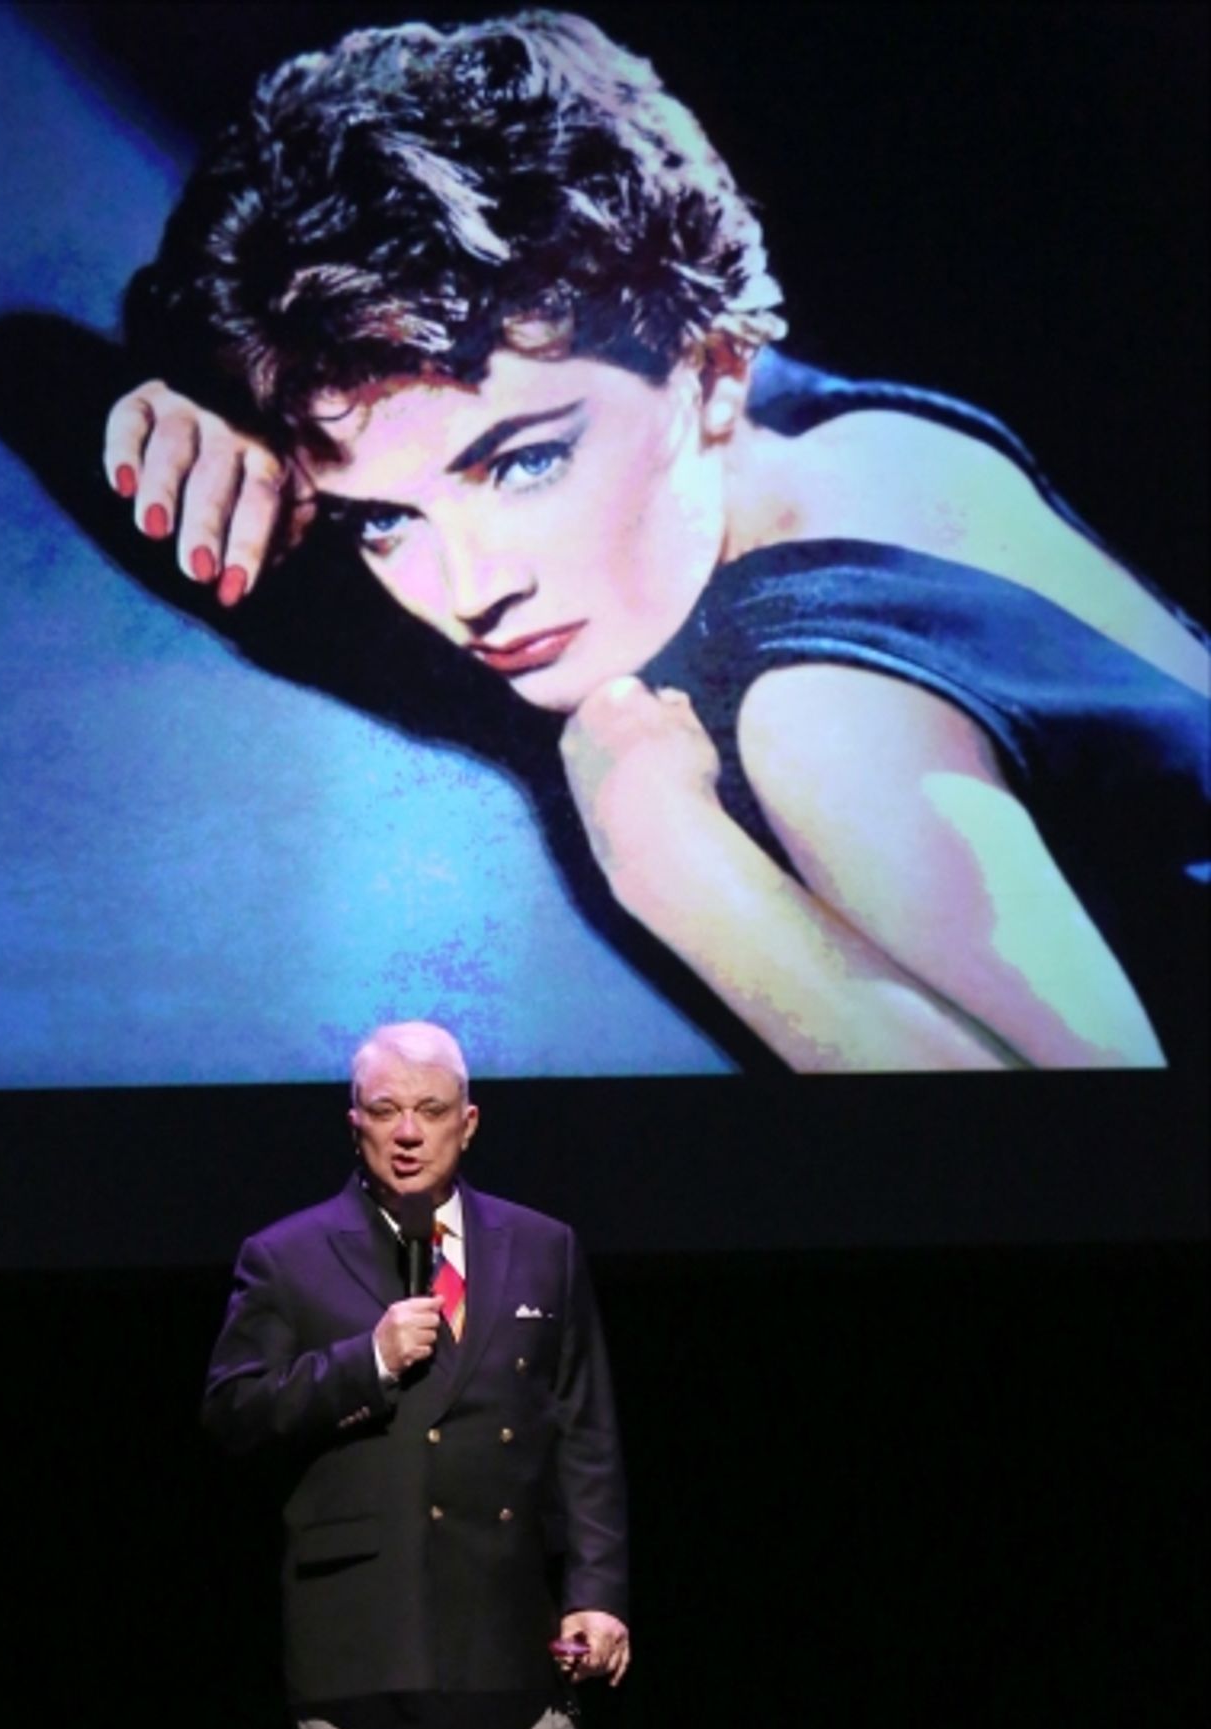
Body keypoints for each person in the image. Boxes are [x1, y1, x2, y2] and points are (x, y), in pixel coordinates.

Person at [104, 10, 1209, 1074]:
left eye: (524, 462)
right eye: (381, 520)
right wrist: (242, 400)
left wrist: (681, 874)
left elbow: (1099, 1162)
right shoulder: (831, 434)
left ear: (711, 366)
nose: (470, 590)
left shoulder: (821, 720)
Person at [203, 1019, 629, 1729]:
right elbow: (234, 1412)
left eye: (430, 1111)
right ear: (353, 1119)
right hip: (364, 1647)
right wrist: (365, 1361)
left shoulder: (541, 1247)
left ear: (467, 1124)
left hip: (514, 1642)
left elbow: (583, 1429)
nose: (408, 1132)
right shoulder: (286, 1256)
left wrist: (597, 1589)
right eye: (386, 1110)